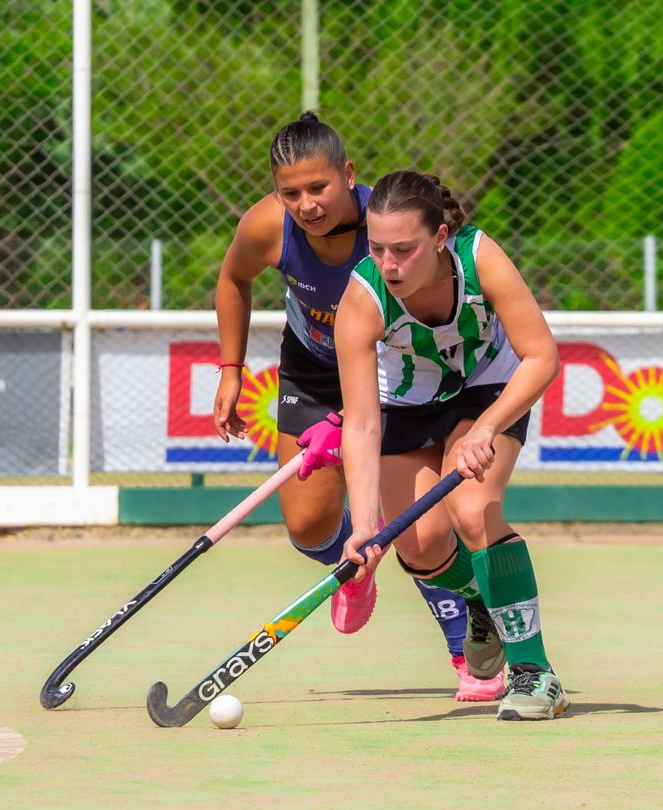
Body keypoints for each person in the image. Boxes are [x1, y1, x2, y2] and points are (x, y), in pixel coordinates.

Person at [213, 114, 504, 701]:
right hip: (313, 368)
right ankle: (357, 564)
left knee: (414, 525)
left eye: (318, 187)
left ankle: (464, 643)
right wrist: (231, 369)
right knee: (307, 525)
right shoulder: (267, 227)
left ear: (347, 175)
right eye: (290, 193)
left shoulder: (388, 228)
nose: (307, 205)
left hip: (396, 370)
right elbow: (232, 278)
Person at [335, 170, 570, 721]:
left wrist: (486, 427)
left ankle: (535, 673)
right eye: (376, 248)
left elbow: (542, 356)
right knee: (419, 544)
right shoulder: (363, 298)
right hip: (407, 403)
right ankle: (480, 597)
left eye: (404, 249)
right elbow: (362, 424)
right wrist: (364, 528)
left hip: (487, 389)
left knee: (471, 510)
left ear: (440, 237)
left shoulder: (479, 257)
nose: (388, 264)